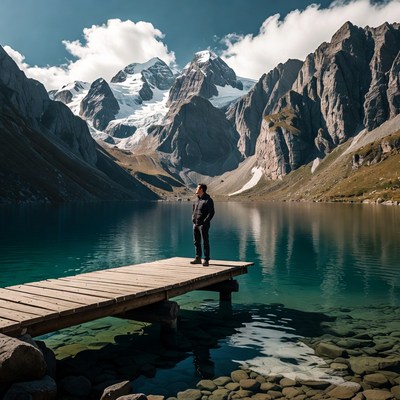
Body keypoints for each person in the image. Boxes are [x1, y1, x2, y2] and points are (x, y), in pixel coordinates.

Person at [190, 183, 215, 266]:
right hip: (195, 224)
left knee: (205, 242)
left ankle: (206, 260)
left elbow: (211, 213)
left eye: (197, 188)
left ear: (201, 189)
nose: (196, 189)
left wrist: (205, 222)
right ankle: (198, 258)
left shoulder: (208, 200)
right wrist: (193, 218)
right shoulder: (196, 199)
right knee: (196, 242)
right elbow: (194, 210)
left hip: (203, 225)